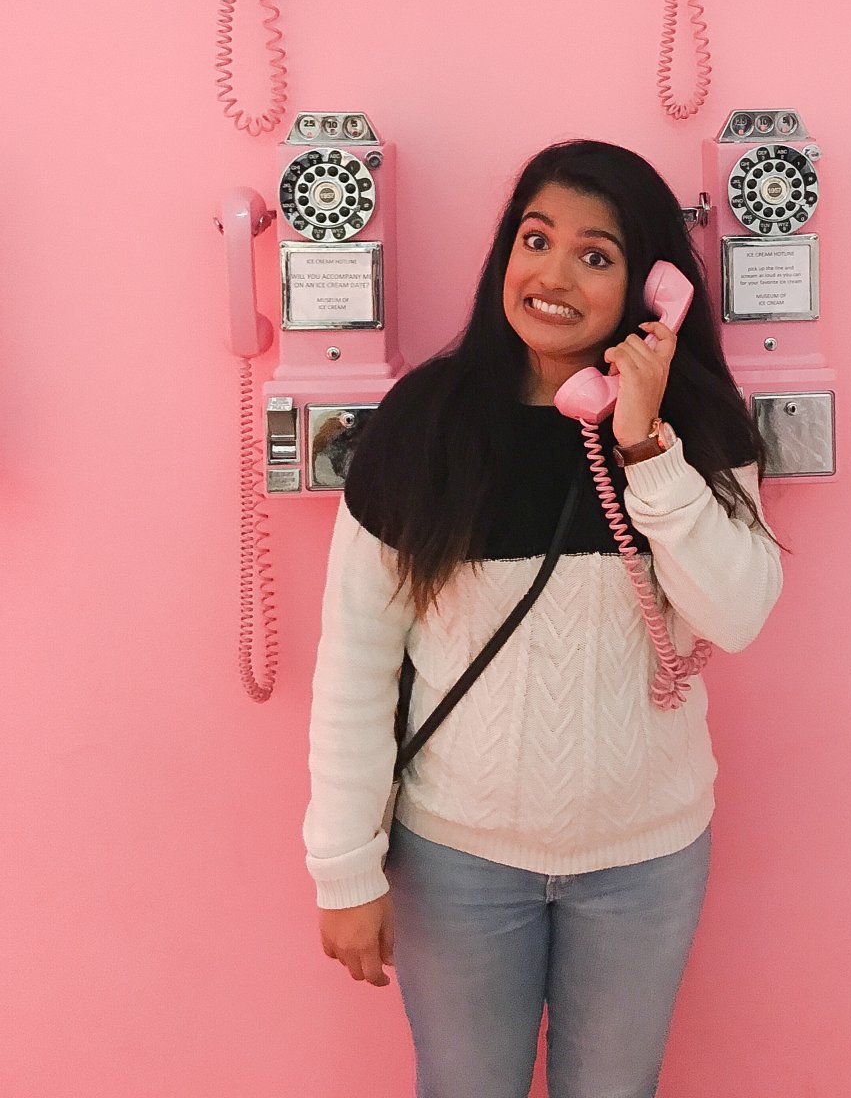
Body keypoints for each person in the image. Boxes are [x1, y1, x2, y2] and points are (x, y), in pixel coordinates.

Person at [303, 139, 784, 1098]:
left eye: (596, 256)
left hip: (645, 860)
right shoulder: (423, 425)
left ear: (653, 288)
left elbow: (735, 614)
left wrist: (647, 448)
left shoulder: (700, 429)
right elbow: (357, 664)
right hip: (459, 859)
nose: (553, 275)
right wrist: (343, 870)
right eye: (536, 240)